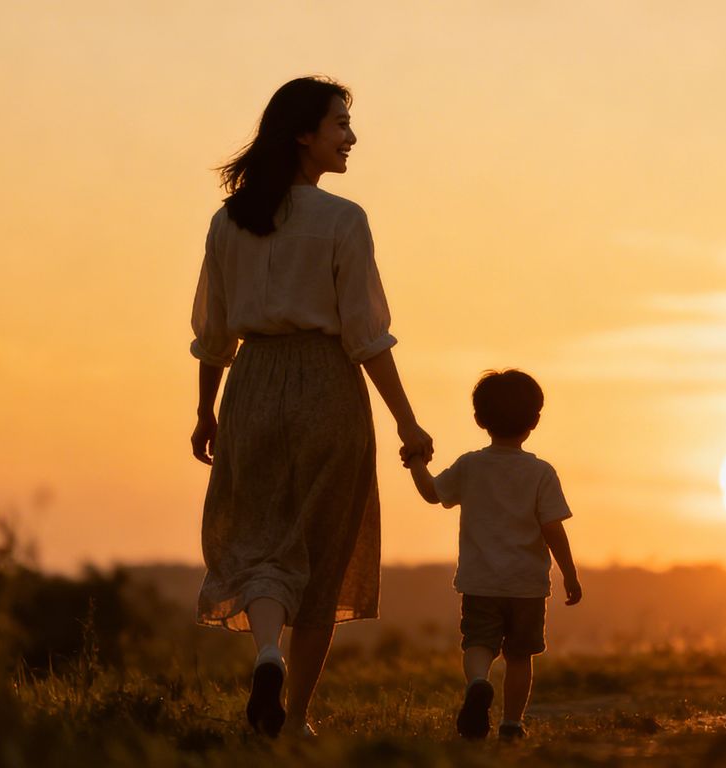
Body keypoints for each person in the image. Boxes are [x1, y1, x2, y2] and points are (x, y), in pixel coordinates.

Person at [188, 76, 433, 737]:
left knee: (260, 543)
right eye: (340, 124)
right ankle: (295, 718)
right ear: (304, 134)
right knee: (325, 553)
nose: (351, 137)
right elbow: (367, 337)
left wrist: (206, 410)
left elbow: (214, 335)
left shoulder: (228, 222)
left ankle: (266, 652)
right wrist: (407, 420)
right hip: (329, 389)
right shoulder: (343, 220)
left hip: (253, 388)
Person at [404, 369, 582, 741]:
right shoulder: (541, 473)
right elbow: (553, 529)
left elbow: (433, 494)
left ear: (479, 419)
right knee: (520, 656)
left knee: (478, 644)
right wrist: (569, 573)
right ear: (534, 421)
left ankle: (478, 684)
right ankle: (512, 724)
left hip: (480, 581)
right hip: (527, 586)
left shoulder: (470, 466)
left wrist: (416, 462)